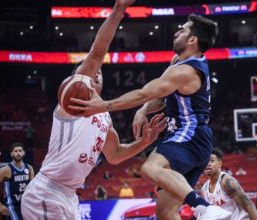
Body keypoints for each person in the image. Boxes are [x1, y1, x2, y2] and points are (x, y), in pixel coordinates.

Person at [69, 13, 232, 219]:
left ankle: (204, 207)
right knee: (165, 213)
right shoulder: (179, 62)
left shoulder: (186, 71)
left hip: (189, 136)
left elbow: (145, 93)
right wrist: (144, 110)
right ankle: (203, 207)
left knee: (149, 168)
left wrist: (103, 106)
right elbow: (160, 97)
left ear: (193, 40)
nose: (176, 32)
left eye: (182, 30)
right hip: (193, 140)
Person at [20, 1, 167, 219]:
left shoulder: (105, 116)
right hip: (47, 191)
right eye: (92, 70)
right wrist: (118, 10)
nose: (97, 72)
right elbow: (97, 53)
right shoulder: (73, 102)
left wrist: (143, 143)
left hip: (70, 196)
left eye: (100, 72)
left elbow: (115, 155)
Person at [201, 149, 257, 220]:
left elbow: (249, 205)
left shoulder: (227, 182)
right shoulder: (204, 189)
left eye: (212, 161)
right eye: (206, 161)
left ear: (219, 164)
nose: (208, 164)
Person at [0, 143, 34, 220]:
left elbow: (33, 189)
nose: (18, 153)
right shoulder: (5, 170)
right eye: (15, 151)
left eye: (20, 150)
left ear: (24, 153)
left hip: (26, 205)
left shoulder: (29, 168)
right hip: (12, 206)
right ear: (11, 154)